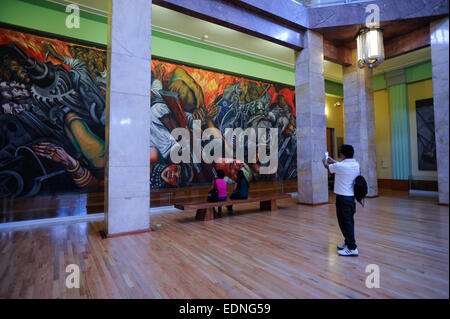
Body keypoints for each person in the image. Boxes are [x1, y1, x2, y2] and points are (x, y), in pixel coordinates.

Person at [322, 144, 360, 257]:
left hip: (343, 198)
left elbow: (327, 167)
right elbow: (339, 164)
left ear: (342, 154)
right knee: (347, 221)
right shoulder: (355, 164)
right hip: (350, 197)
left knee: (345, 222)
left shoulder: (341, 166)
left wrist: (324, 161)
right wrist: (333, 160)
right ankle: (348, 243)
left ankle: (352, 248)